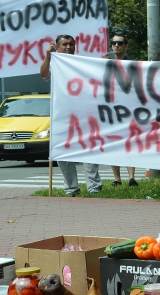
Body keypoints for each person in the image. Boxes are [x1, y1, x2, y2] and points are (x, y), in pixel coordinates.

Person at [40, 35, 103, 197]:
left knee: (89, 150)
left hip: (84, 115)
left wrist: (103, 64)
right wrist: (48, 56)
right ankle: (71, 188)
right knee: (63, 153)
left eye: (71, 44)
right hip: (62, 116)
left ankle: (94, 186)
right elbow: (44, 74)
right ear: (57, 47)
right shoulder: (54, 64)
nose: (68, 47)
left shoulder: (81, 64)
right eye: (65, 44)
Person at [103, 33, 137, 187]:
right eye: (114, 43)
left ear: (126, 46)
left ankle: (131, 177)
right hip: (111, 109)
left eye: (120, 43)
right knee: (113, 143)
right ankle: (117, 179)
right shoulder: (106, 63)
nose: (116, 45)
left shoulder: (133, 65)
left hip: (128, 110)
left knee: (129, 142)